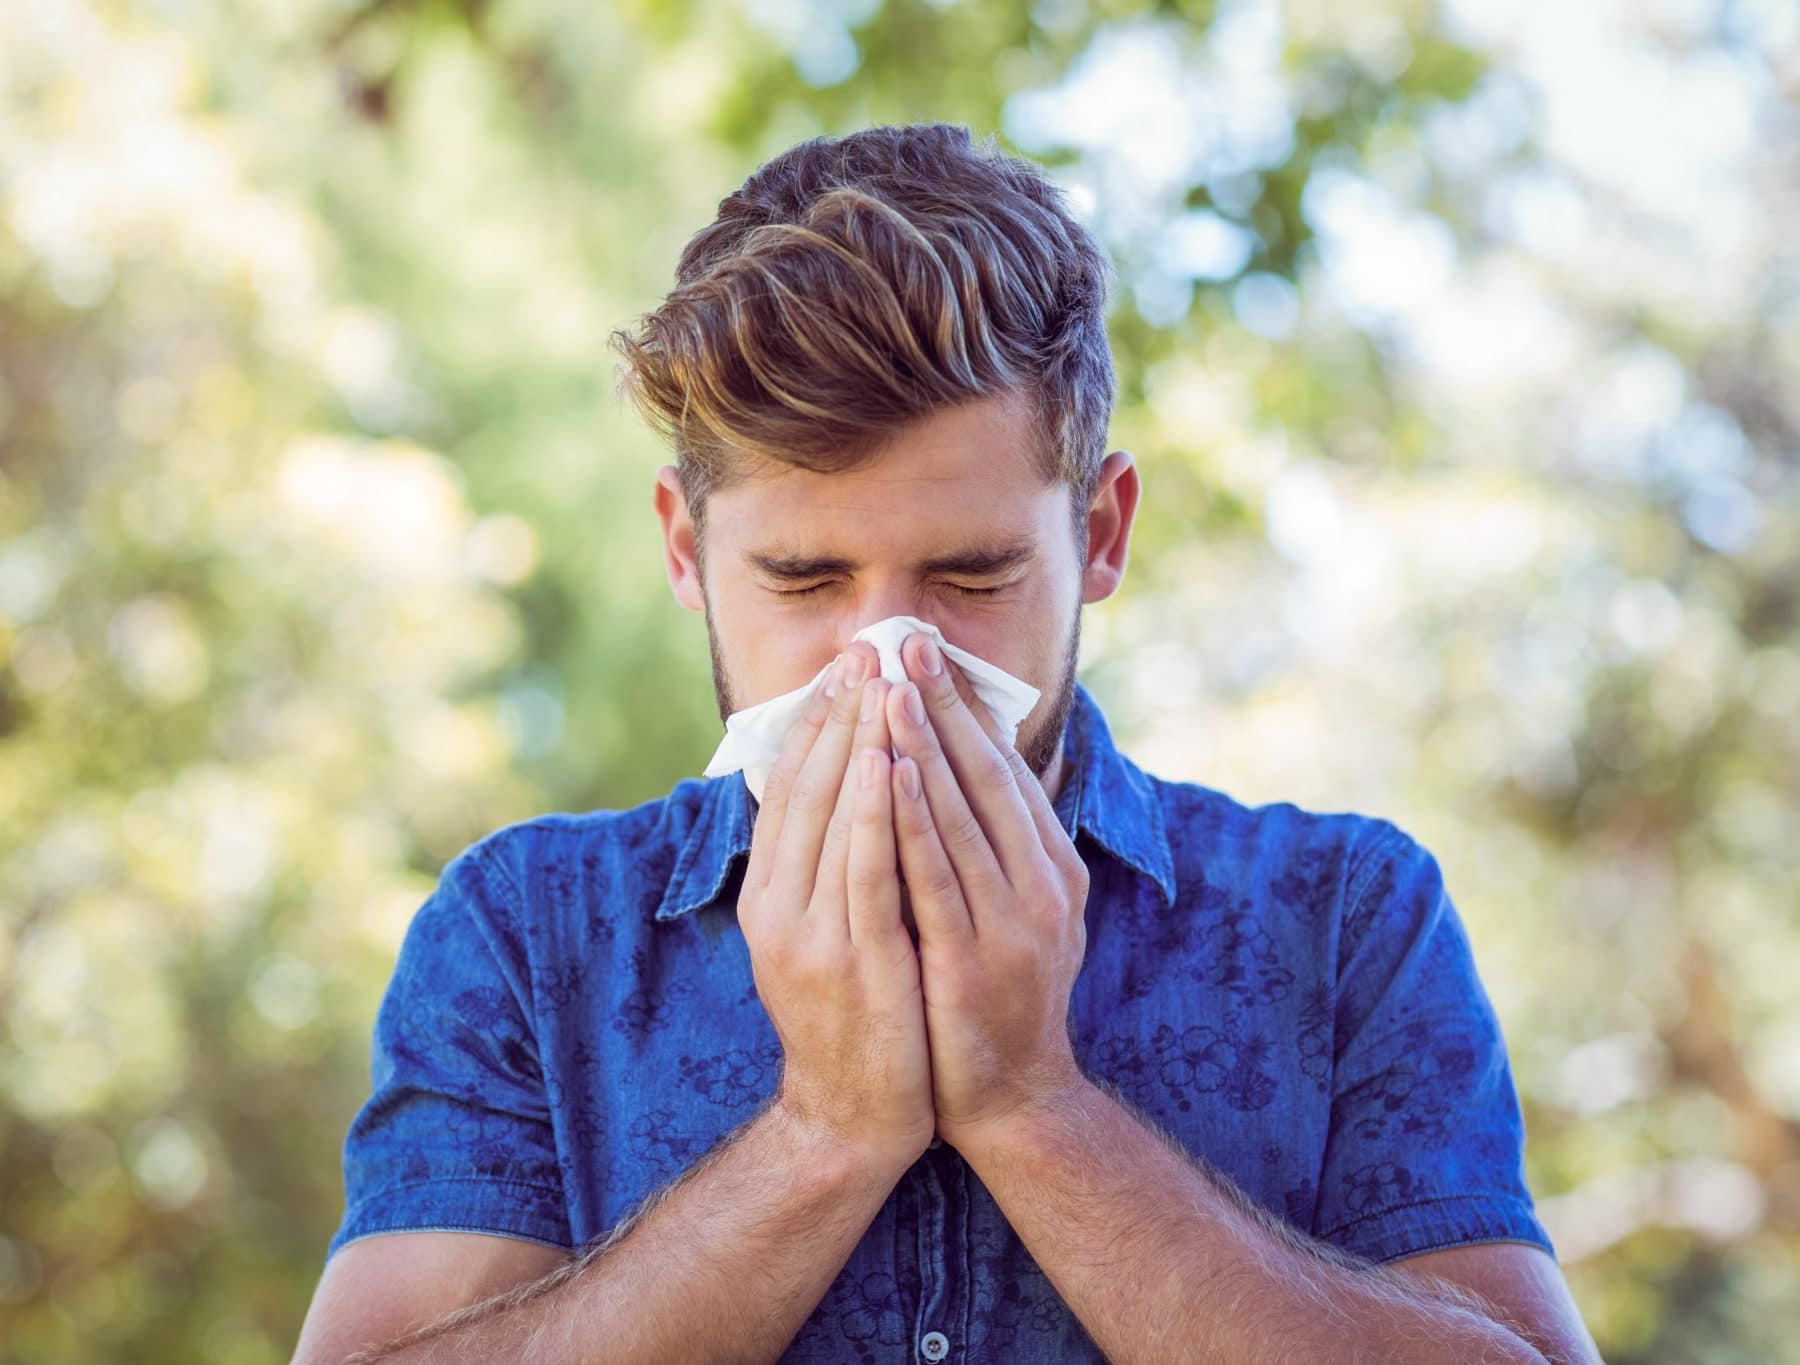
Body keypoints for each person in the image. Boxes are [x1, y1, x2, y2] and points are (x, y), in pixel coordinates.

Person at [293, 122, 1600, 1364]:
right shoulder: (529, 936)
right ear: (687, 553)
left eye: (970, 573)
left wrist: (1038, 1106)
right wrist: (821, 1134)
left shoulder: (1342, 918)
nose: (892, 657)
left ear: (1098, 534)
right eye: (805, 579)